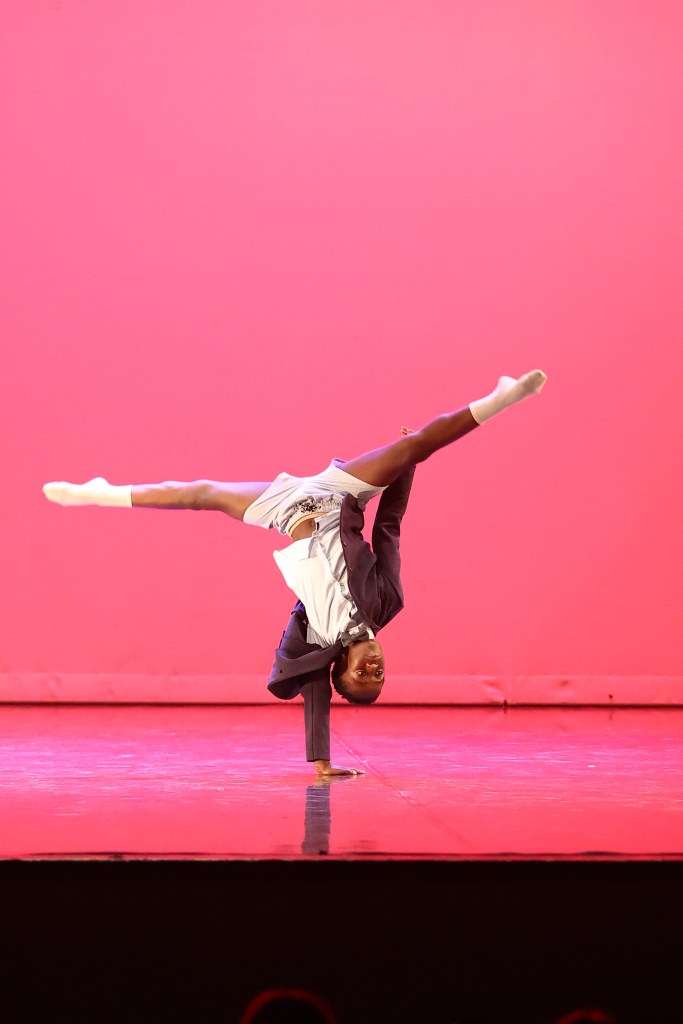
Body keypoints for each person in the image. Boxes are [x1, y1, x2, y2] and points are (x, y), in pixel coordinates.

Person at [43, 371, 547, 775]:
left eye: (362, 674)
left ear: (339, 666)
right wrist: (404, 469)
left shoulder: (315, 636)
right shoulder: (387, 601)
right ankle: (500, 399)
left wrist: (322, 765)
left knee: (200, 493)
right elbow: (388, 529)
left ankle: (100, 493)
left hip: (285, 510)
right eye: (380, 674)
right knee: (417, 445)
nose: (373, 666)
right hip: (339, 494)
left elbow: (315, 697)